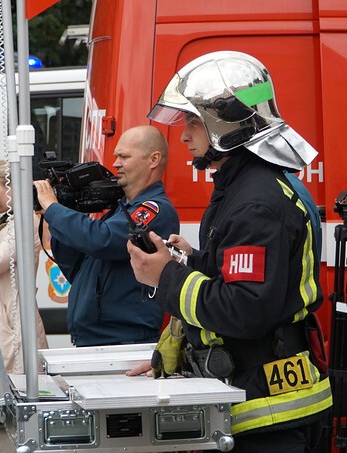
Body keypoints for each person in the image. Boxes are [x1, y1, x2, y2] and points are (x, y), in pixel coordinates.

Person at [126, 51, 332, 453]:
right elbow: (244, 278)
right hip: (260, 398)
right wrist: (191, 261)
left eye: (190, 122)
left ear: (224, 124)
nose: (183, 136)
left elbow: (244, 309)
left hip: (269, 414)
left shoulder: (254, 203)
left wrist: (164, 277)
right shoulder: (250, 187)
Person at [34, 126, 180, 347]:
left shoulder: (156, 209)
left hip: (124, 341)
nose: (115, 164)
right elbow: (76, 268)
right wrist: (62, 210)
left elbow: (103, 240)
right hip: (97, 339)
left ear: (153, 159)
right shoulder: (121, 211)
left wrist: (54, 209)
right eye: (116, 157)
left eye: (124, 157)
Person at [0, 160, 48, 375]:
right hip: (0, 315)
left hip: (15, 321)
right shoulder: (6, 220)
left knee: (20, 388)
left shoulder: (25, 221)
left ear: (12, 188)